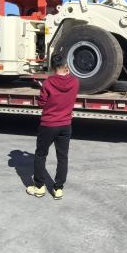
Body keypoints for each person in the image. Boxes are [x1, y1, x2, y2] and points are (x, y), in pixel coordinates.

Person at [27, 54, 79, 200]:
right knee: (62, 157)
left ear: (52, 67)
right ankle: (58, 189)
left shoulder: (48, 83)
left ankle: (39, 187)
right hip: (65, 124)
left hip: (48, 124)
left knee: (40, 155)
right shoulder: (75, 82)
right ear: (66, 66)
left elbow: (42, 103)